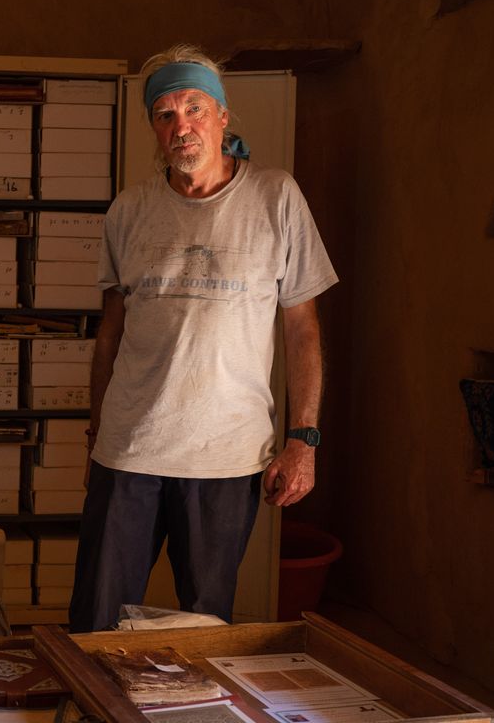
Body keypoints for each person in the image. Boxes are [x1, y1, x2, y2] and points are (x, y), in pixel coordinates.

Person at [69, 45, 338, 632]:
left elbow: (301, 329)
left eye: (194, 107)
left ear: (222, 116)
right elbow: (109, 333)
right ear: (153, 129)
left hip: (227, 457)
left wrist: (303, 441)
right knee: (95, 623)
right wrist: (96, 433)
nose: (180, 125)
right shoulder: (129, 211)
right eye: (164, 114)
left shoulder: (276, 198)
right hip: (128, 449)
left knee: (204, 628)